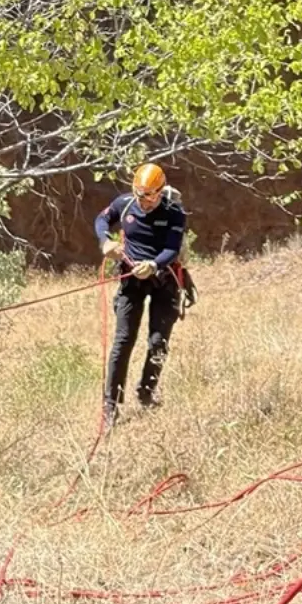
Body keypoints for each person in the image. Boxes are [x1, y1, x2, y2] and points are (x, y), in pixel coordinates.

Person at [96, 162, 186, 429]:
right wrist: (105, 241)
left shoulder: (174, 212)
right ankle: (111, 406)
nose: (145, 203)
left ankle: (146, 392)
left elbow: (172, 247)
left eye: (150, 197)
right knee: (123, 340)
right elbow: (102, 219)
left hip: (163, 279)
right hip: (131, 280)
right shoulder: (124, 204)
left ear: (161, 191)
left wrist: (155, 265)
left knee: (158, 341)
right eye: (141, 196)